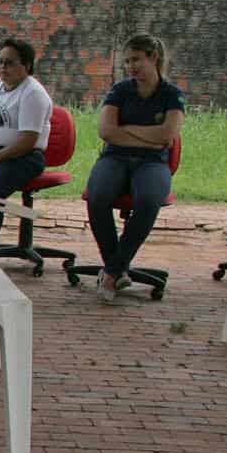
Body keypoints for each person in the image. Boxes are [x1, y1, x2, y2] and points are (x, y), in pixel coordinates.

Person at [85, 33, 185, 303]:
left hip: (153, 162)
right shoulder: (120, 90)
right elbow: (106, 131)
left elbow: (167, 136)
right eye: (128, 61)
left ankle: (112, 271)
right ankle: (116, 269)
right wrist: (147, 135)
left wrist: (126, 129)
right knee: (96, 197)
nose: (131, 66)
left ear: (153, 58)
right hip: (115, 157)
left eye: (137, 59)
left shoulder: (172, 94)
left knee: (149, 200)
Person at [0, 38, 54, 255]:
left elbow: (26, 141)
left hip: (23, 156)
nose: (3, 68)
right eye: (0, 62)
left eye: (10, 63)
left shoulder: (33, 93)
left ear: (26, 66)